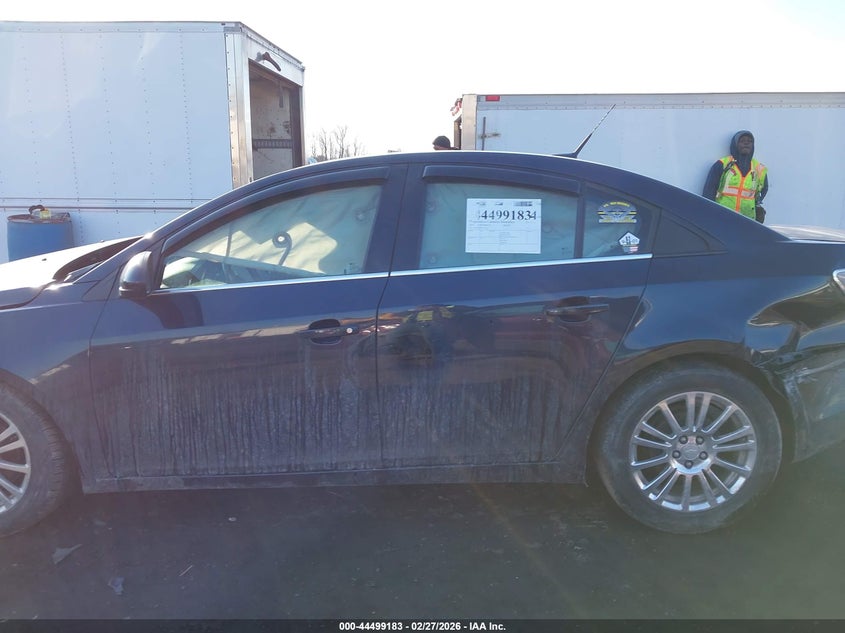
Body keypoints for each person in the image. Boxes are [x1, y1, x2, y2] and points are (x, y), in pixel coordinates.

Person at [702, 130, 769, 223]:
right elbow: (709, 191)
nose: (746, 143)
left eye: (749, 141)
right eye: (742, 141)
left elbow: (763, 190)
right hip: (722, 217)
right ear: (735, 144)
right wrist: (709, 214)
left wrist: (757, 205)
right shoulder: (722, 164)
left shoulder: (759, 169)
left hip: (747, 221)